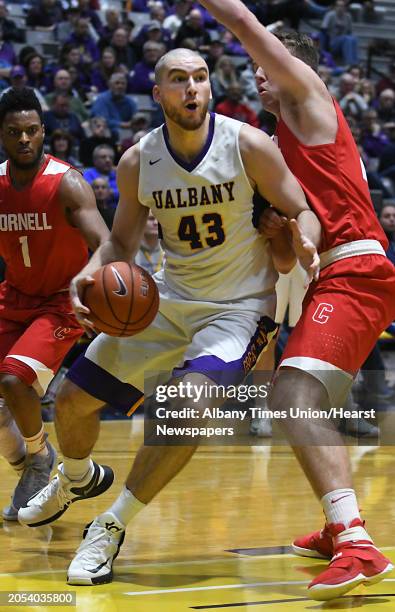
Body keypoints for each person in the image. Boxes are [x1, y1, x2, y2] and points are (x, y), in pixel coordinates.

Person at [17, 48, 320, 586]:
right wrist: (89, 273)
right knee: (70, 401)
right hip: (168, 299)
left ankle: (110, 526)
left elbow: (303, 210)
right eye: (178, 80)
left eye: (200, 78)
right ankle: (78, 477)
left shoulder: (247, 144)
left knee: (187, 406)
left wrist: (306, 242)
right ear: (158, 94)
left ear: (209, 87)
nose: (192, 88)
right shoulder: (139, 160)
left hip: (239, 308)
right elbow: (120, 243)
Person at [195, 0, 395, 601]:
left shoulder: (310, 97)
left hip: (356, 267)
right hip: (331, 272)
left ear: (293, 67)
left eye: (266, 63)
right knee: (297, 399)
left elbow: (245, 26)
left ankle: (355, 540)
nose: (256, 72)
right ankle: (341, 528)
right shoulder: (280, 142)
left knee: (291, 394)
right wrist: (289, 238)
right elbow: (286, 256)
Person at [0, 87, 110, 520]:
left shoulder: (66, 182)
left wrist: (88, 280)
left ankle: (40, 456)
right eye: (14, 132)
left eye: (31, 131)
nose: (24, 139)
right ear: (3, 135)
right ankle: (23, 463)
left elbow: (104, 241)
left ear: (44, 131)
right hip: (14, 297)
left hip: (60, 303)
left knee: (13, 382)